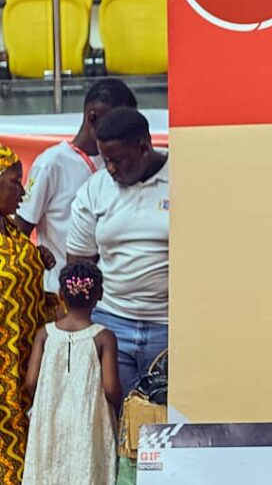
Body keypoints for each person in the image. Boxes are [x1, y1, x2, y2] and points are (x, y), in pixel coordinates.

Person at [66, 108, 169, 399]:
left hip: (170, 328)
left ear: (144, 148)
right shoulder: (95, 189)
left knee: (164, 419)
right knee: (111, 416)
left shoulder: (182, 179)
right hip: (111, 324)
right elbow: (79, 263)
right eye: (105, 160)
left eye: (118, 160)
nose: (110, 168)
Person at [15, 79, 138, 310]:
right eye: (115, 122)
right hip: (63, 300)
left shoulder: (119, 163)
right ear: (92, 118)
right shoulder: (51, 163)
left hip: (111, 299)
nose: (122, 133)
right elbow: (19, 229)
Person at [22, 261, 119, 485]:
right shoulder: (104, 337)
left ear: (60, 295)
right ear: (100, 294)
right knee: (85, 469)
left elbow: (31, 381)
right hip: (89, 420)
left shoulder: (45, 334)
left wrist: (44, 402)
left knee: (48, 470)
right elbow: (111, 388)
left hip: (49, 417)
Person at [0, 145, 52, 485]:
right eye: (15, 181)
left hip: (19, 375)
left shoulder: (15, 239)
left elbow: (32, 300)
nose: (22, 192)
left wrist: (36, 262)